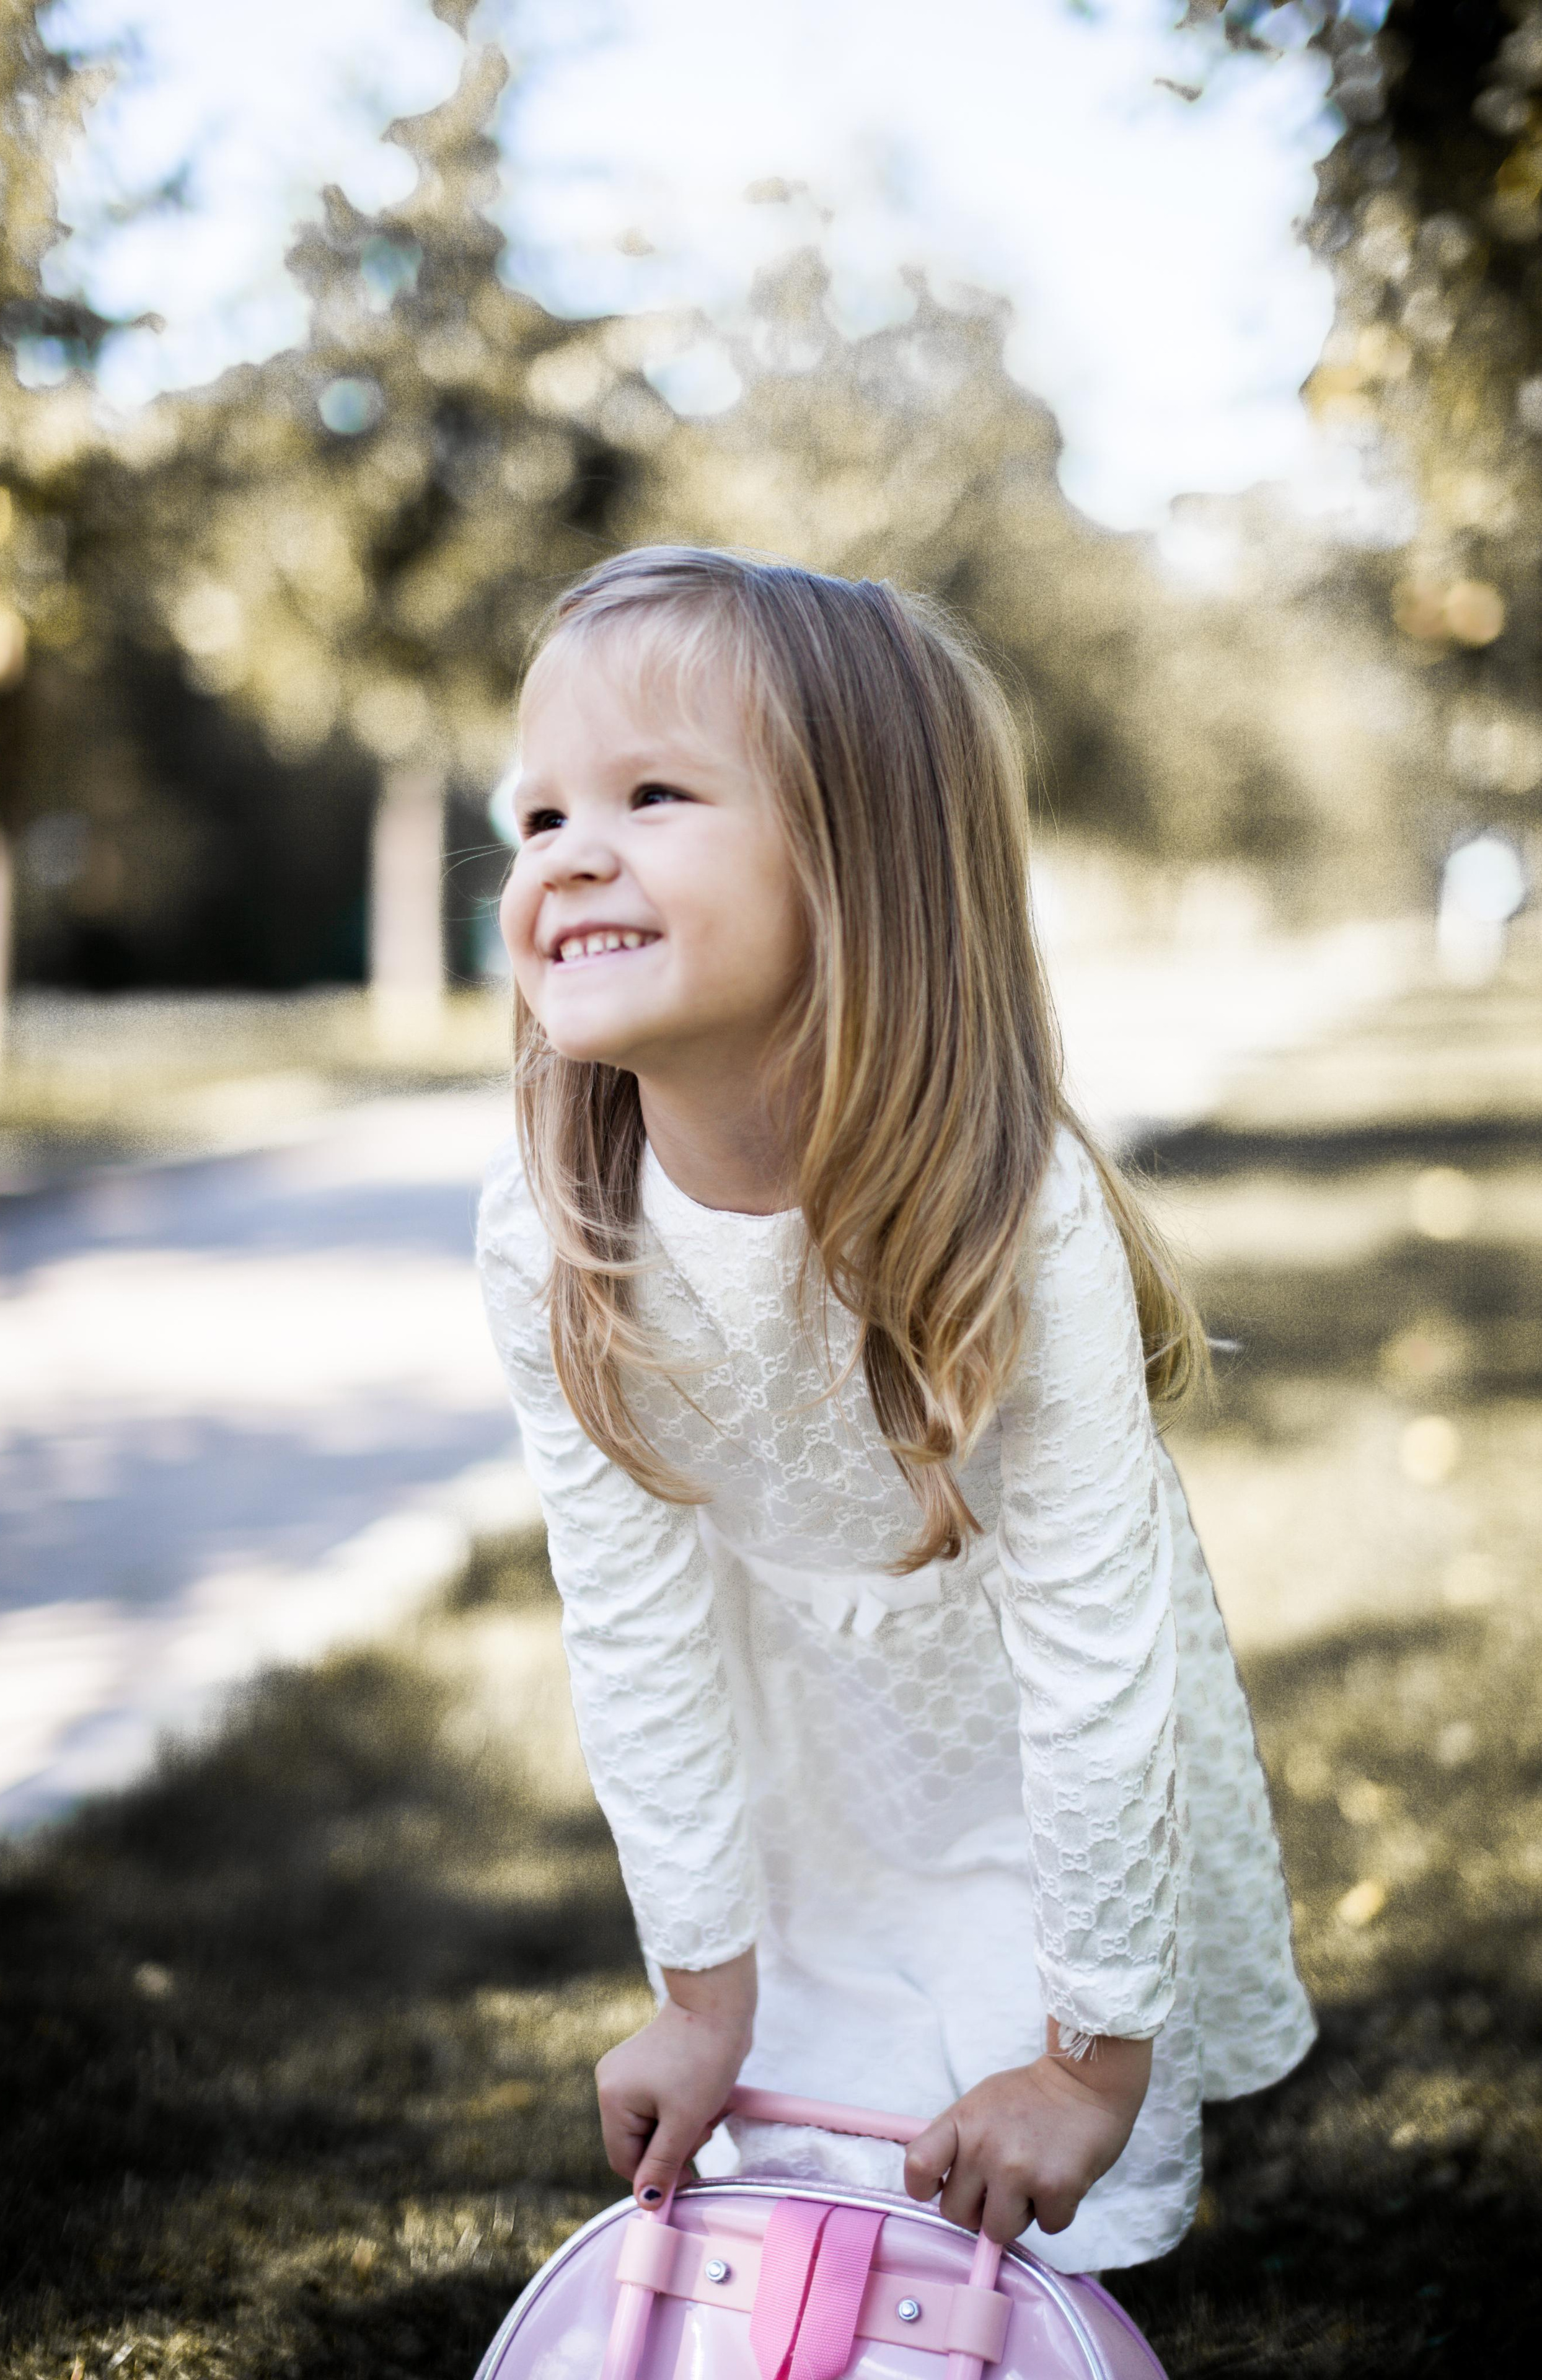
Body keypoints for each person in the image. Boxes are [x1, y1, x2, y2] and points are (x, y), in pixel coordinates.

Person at [477, 546, 1314, 2276]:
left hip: (1033, 1748)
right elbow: (633, 1626)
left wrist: (1089, 2064)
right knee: (815, 2187)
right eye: (539, 812)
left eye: (649, 795)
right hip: (795, 1745)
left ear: (857, 863)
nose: (564, 854)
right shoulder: (552, 1226)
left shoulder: (1016, 1215)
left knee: (1020, 2216)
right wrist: (699, 1998)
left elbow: (1093, 1658)